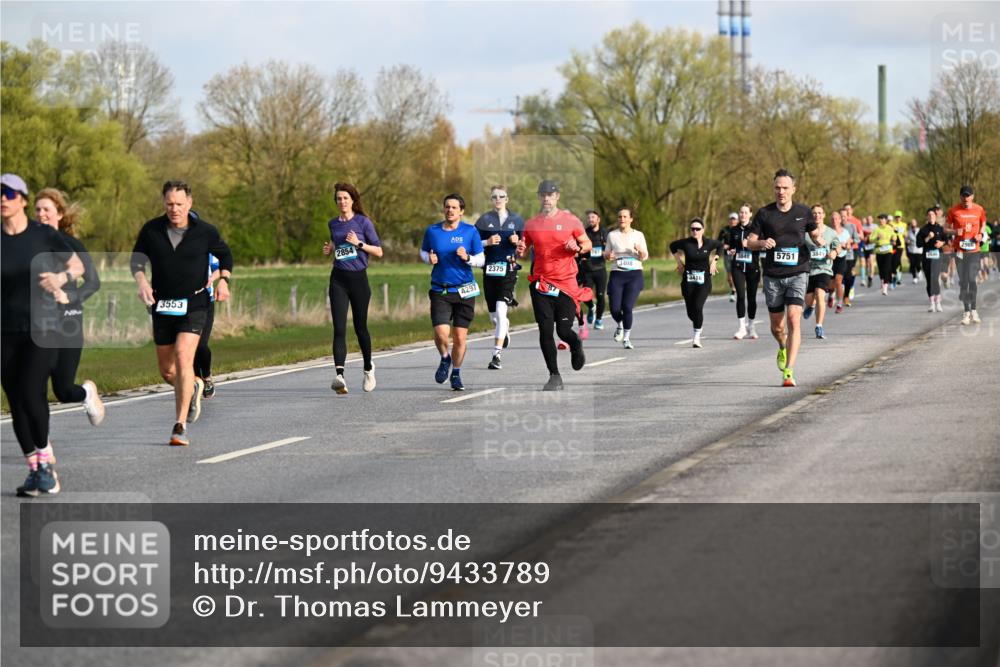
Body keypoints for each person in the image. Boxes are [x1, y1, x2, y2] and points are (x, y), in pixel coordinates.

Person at [131, 181, 233, 446]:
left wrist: (224, 280)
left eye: (179, 204)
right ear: (164, 203)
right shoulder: (151, 230)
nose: (174, 209)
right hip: (163, 305)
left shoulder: (205, 231)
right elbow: (137, 260)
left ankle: (179, 426)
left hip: (195, 303)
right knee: (167, 371)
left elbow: (225, 256)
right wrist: (142, 281)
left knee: (183, 357)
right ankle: (195, 385)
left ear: (189, 203)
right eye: (169, 204)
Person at [2, 173, 84, 495]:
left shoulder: (42, 235)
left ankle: (46, 461)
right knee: (16, 401)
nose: (2, 199)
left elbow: (77, 265)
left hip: (43, 326)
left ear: (22, 198)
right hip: (5, 329)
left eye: (8, 193)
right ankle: (35, 468)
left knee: (32, 391)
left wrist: (62, 278)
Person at [745, 169, 826, 387]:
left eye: (785, 188)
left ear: (793, 189)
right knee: (777, 327)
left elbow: (814, 234)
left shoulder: (803, 212)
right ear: (774, 189)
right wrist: (762, 243)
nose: (781, 192)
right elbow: (749, 242)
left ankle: (788, 371)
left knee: (793, 319)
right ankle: (782, 346)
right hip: (773, 275)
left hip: (799, 271)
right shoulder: (764, 213)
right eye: (777, 188)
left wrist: (819, 239)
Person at [34, 188, 105, 425]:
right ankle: (40, 444)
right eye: (37, 209)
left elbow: (93, 282)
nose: (41, 214)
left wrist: (70, 297)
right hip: (38, 323)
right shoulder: (28, 243)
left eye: (47, 209)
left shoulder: (71, 244)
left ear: (60, 214)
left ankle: (86, 393)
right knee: (33, 384)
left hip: (69, 321)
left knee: (63, 391)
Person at [516, 180, 592, 391]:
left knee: (564, 330)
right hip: (541, 283)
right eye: (543, 195)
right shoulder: (531, 224)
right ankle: (554, 375)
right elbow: (523, 251)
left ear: (557, 196)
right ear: (539, 197)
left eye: (551, 194)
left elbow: (587, 244)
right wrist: (520, 249)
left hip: (566, 284)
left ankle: (575, 344)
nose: (547, 198)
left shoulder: (571, 220)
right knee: (545, 329)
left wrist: (576, 246)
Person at [322, 182, 382, 393]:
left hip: (359, 280)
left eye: (345, 198)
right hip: (338, 279)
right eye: (339, 198)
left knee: (360, 328)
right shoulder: (333, 224)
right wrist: (331, 248)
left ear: (353, 200)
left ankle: (368, 368)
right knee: (339, 328)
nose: (342, 202)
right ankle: (340, 376)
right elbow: (338, 243)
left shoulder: (363, 222)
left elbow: (379, 251)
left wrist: (359, 244)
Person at [421, 193, 484, 390]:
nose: (450, 210)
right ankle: (444, 357)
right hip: (441, 289)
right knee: (441, 334)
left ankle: (456, 373)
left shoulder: (470, 231)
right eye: (447, 207)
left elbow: (481, 260)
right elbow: (424, 251)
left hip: (465, 290)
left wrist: (467, 258)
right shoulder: (432, 231)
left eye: (454, 207)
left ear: (461, 211)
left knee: (459, 338)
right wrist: (428, 259)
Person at [474, 184, 523, 370]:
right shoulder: (483, 220)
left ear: (507, 199)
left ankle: (496, 355)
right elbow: (471, 244)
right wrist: (486, 242)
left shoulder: (516, 220)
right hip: (489, 270)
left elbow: (523, 246)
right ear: (491, 199)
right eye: (494, 196)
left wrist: (517, 242)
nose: (498, 199)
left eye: (501, 196)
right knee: (494, 317)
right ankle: (504, 330)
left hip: (508, 269)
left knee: (502, 310)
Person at [670, 218, 722, 348]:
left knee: (698, 307)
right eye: (692, 229)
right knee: (691, 312)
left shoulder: (709, 243)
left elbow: (720, 246)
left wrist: (715, 260)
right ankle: (698, 323)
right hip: (688, 280)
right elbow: (672, 246)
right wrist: (679, 262)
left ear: (703, 230)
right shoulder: (686, 243)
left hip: (704, 280)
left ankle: (696, 337)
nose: (695, 231)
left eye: (697, 229)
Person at [605, 206, 649, 349]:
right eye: (620, 217)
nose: (622, 219)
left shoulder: (639, 235)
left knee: (627, 307)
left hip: (634, 274)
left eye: (625, 217)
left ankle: (627, 338)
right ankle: (620, 324)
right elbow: (606, 254)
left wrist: (640, 251)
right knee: (614, 308)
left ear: (631, 219)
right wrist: (608, 256)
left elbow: (645, 256)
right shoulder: (612, 235)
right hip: (617, 273)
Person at [946, 185, 987, 325]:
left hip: (974, 250)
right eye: (963, 195)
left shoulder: (979, 209)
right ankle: (966, 312)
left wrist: (981, 235)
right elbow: (945, 228)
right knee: (963, 281)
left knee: (971, 279)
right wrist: (953, 232)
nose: (966, 198)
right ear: (960, 197)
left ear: (972, 196)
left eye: (968, 195)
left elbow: (983, 224)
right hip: (959, 251)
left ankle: (974, 310)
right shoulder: (953, 210)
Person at [721, 203, 760, 340]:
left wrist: (749, 244)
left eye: (745, 212)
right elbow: (730, 246)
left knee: (751, 298)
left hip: (752, 268)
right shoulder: (733, 230)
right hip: (737, 267)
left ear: (750, 214)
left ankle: (752, 326)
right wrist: (731, 250)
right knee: (741, 296)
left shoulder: (756, 229)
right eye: (741, 212)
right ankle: (741, 328)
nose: (743, 215)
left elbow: (762, 246)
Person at [802, 204, 840, 340]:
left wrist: (834, 252)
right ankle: (810, 306)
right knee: (809, 300)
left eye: (819, 213)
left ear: (823, 215)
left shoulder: (830, 232)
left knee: (820, 294)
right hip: (809, 269)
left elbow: (837, 246)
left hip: (824, 269)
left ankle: (819, 326)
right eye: (814, 213)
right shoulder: (805, 234)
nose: (817, 215)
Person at [576, 209, 609, 331]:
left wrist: (607, 252)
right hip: (587, 270)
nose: (590, 220)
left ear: (598, 219)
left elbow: (609, 249)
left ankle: (599, 319)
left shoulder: (604, 233)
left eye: (593, 217)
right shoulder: (585, 232)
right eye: (589, 218)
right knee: (585, 294)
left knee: (600, 296)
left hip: (600, 269)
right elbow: (580, 248)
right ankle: (591, 307)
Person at [193, 250, 219, 399]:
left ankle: (206, 377)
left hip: (205, 303)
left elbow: (218, 269)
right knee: (188, 346)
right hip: (185, 305)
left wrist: (210, 279)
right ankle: (196, 380)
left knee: (201, 345)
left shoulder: (206, 250)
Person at [916, 207, 948, 312]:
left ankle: (938, 302)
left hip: (938, 256)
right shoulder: (923, 230)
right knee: (929, 280)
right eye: (929, 215)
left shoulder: (940, 228)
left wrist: (941, 243)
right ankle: (931, 303)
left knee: (935, 279)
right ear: (927, 217)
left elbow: (946, 240)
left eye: (933, 215)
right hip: (926, 257)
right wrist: (928, 238)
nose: (931, 216)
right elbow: (918, 244)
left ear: (936, 216)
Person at [870, 214, 897, 296]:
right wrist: (876, 238)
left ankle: (885, 287)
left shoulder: (889, 228)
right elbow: (871, 239)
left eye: (883, 219)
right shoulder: (876, 229)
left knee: (886, 267)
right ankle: (884, 281)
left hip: (888, 250)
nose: (881, 220)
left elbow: (894, 236)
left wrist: (893, 239)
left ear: (886, 220)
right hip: (879, 251)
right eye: (880, 219)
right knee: (881, 269)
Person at [839, 208, 862, 307]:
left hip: (849, 255)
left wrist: (850, 241)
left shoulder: (852, 226)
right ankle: (836, 295)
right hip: (837, 256)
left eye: (845, 216)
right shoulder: (835, 227)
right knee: (838, 277)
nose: (843, 218)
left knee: (848, 277)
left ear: (847, 216)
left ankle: (846, 297)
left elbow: (857, 239)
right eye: (841, 216)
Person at [719, 212, 739, 302]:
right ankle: (733, 289)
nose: (732, 221)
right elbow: (718, 242)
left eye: (734, 219)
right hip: (727, 254)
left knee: (736, 274)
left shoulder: (740, 230)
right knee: (729, 277)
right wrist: (723, 245)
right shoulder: (724, 230)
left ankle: (734, 292)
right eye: (731, 219)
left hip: (737, 255)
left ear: (737, 220)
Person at [891, 211, 907, 288]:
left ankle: (899, 276)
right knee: (893, 260)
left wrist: (906, 235)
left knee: (898, 260)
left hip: (901, 245)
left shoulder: (904, 225)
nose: (898, 218)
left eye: (899, 217)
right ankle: (895, 275)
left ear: (901, 217)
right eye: (896, 217)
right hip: (893, 246)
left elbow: (905, 234)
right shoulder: (892, 224)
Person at [906, 218, 923, 284]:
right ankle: (914, 277)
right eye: (912, 223)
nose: (913, 224)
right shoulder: (908, 232)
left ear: (916, 223)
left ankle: (919, 271)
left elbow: (922, 238)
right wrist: (907, 241)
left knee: (918, 264)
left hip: (919, 250)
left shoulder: (919, 230)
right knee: (912, 264)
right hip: (911, 250)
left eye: (914, 223)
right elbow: (906, 240)